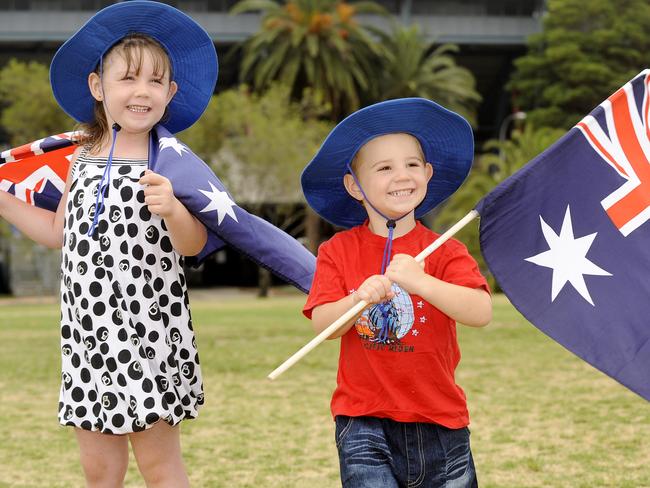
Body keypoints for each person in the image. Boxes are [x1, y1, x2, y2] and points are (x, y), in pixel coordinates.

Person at [0, 2, 218, 486]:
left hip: (148, 334)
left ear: (171, 93)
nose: (142, 91)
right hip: (87, 336)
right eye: (128, 79)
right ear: (99, 87)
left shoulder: (171, 161)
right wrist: (3, 202)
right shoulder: (79, 159)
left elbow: (194, 243)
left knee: (160, 466)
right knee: (99, 470)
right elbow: (59, 233)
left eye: (155, 81)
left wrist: (174, 209)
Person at [301, 98, 493, 487]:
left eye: (411, 165)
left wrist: (421, 282)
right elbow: (324, 324)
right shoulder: (337, 251)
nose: (401, 176)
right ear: (355, 186)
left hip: (440, 421)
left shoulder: (446, 250)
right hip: (363, 420)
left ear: (428, 172)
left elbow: (480, 311)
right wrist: (358, 298)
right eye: (384, 168)